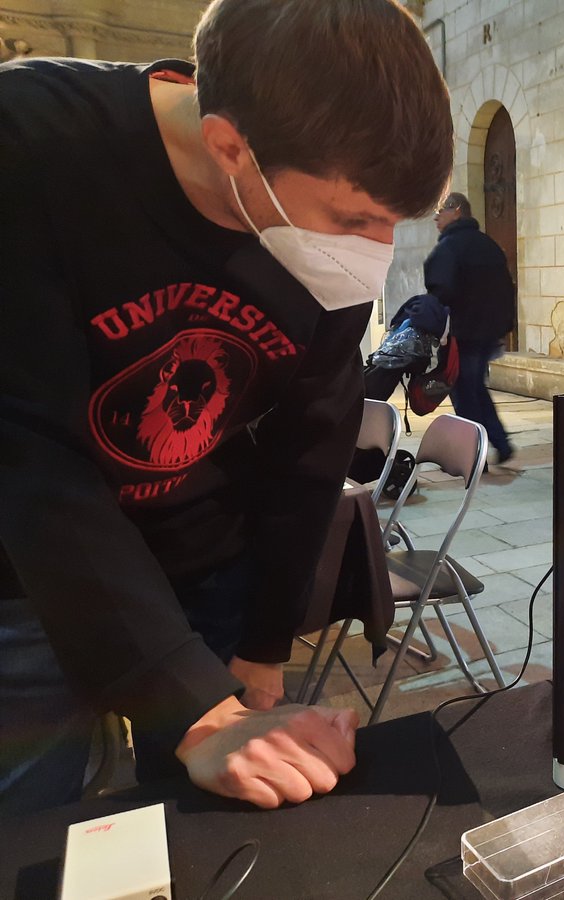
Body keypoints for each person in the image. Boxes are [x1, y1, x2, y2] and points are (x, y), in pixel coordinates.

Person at [0, 0, 453, 813]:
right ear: (229, 147)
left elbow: (314, 439)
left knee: (218, 819)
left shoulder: (319, 222)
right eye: (355, 220)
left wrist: (262, 638)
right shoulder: (31, 145)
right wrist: (191, 709)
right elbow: (27, 451)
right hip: (29, 575)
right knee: (33, 823)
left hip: (207, 557)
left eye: (392, 225)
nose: (374, 255)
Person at [423, 192, 516, 463]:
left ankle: (474, 455)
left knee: (464, 392)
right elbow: (505, 290)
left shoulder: (450, 247)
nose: (436, 217)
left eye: (442, 210)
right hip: (487, 333)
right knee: (474, 387)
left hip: (463, 333)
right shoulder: (489, 245)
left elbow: (440, 290)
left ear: (458, 211)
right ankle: (499, 442)